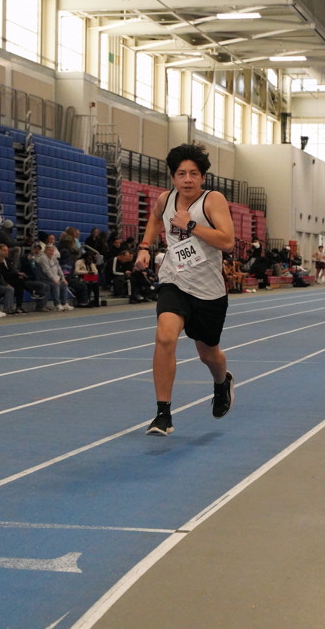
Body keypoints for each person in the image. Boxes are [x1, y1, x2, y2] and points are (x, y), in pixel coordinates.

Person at [134, 143, 235, 437]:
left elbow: (227, 241)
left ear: (202, 177)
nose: (187, 179)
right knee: (165, 336)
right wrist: (144, 246)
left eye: (193, 174)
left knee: (209, 354)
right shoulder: (165, 199)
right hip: (174, 280)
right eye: (181, 174)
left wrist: (191, 225)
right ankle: (163, 413)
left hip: (209, 291)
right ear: (173, 177)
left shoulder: (212, 201)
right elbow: (155, 216)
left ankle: (222, 382)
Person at [36, 243, 73, 311]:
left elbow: (59, 268)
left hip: (54, 278)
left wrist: (63, 278)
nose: (51, 252)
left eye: (52, 251)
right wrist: (54, 279)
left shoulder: (53, 257)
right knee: (56, 284)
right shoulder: (43, 258)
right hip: (45, 278)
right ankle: (57, 304)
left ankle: (64, 303)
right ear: (45, 251)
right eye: (49, 250)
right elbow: (46, 270)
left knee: (64, 284)